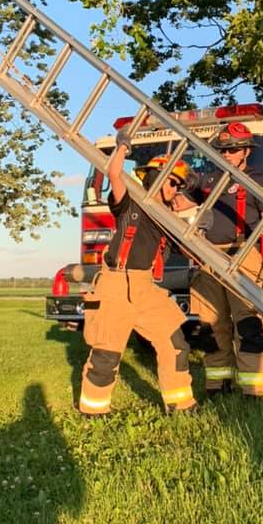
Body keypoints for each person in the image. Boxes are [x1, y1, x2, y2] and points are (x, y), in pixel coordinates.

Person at [78, 134, 198, 417]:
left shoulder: (170, 219)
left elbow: (193, 241)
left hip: (146, 288)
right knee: (107, 353)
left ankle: (181, 404)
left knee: (175, 343)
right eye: (173, 182)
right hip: (116, 285)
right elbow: (115, 173)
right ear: (156, 178)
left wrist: (184, 208)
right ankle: (93, 409)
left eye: (179, 185)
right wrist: (122, 146)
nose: (175, 189)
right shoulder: (129, 204)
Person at [184, 121, 263, 400]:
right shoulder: (208, 180)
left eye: (233, 150)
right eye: (223, 150)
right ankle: (217, 385)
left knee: (248, 324)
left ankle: (255, 390)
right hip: (209, 257)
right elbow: (181, 202)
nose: (226, 155)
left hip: (244, 255)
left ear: (246, 152)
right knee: (211, 326)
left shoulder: (257, 180)